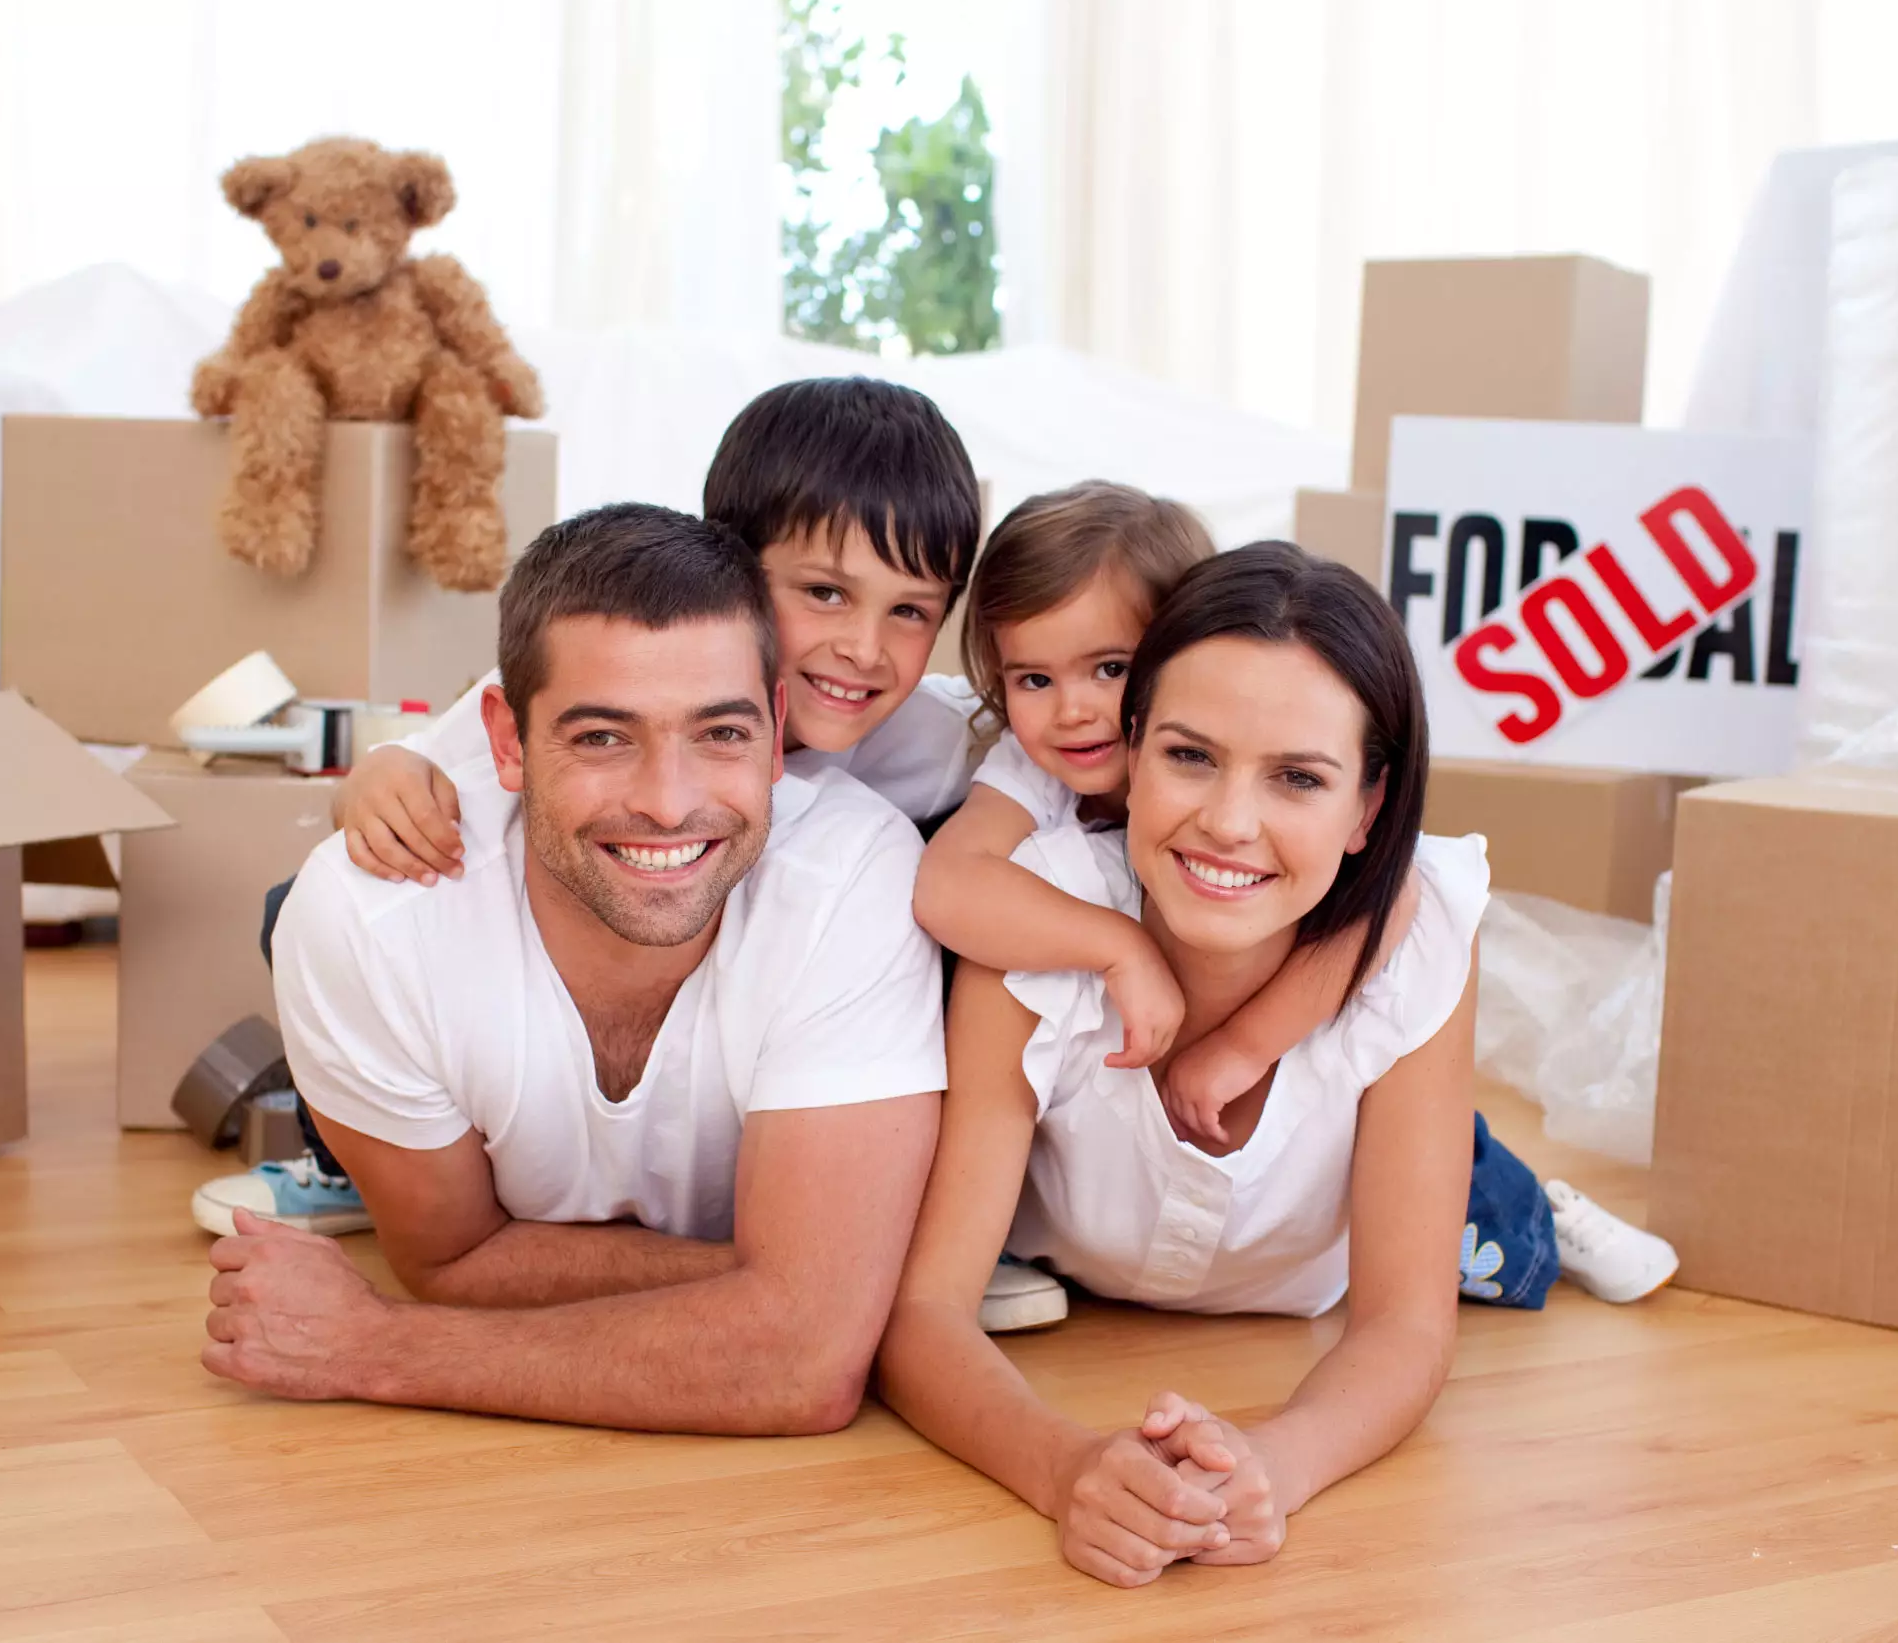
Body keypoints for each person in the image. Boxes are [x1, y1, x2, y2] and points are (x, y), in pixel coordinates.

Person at [876, 542, 1670, 1587]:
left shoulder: (1418, 937)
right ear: (1127, 751)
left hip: (1324, 1278)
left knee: (1491, 1231)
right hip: (1088, 1278)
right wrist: (1065, 1467)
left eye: (1297, 778)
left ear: (1368, 811)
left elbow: (1401, 1325)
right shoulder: (1035, 926)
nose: (1229, 822)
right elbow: (924, 1315)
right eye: (1188, 756)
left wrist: (1273, 1464)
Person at [200, 504, 944, 1434]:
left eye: (720, 733)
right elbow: (453, 1262)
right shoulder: (371, 912)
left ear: (776, 723)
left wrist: (373, 1344)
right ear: (506, 740)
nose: (668, 804)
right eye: (602, 737)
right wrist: (815, 1285)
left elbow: (802, 1362)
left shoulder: (858, 868)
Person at [191, 376, 988, 1221]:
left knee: (954, 926)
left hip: (795, 998)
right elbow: (413, 774)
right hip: (612, 946)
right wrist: (378, 777)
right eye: (825, 593)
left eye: (910, 611)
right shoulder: (588, 681)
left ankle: (945, 1204)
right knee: (302, 905)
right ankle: (358, 1161)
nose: (863, 648)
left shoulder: (935, 744)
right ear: (727, 568)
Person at [914, 486, 1673, 1313]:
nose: (1075, 710)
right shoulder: (1032, 772)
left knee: (1473, 1202)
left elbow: (1388, 916)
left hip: (1321, 1068)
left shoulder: (1242, 754)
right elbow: (950, 883)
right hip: (1142, 1133)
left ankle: (1550, 1219)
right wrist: (1116, 944)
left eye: (1111, 669)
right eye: (1033, 677)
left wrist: (1243, 1048)